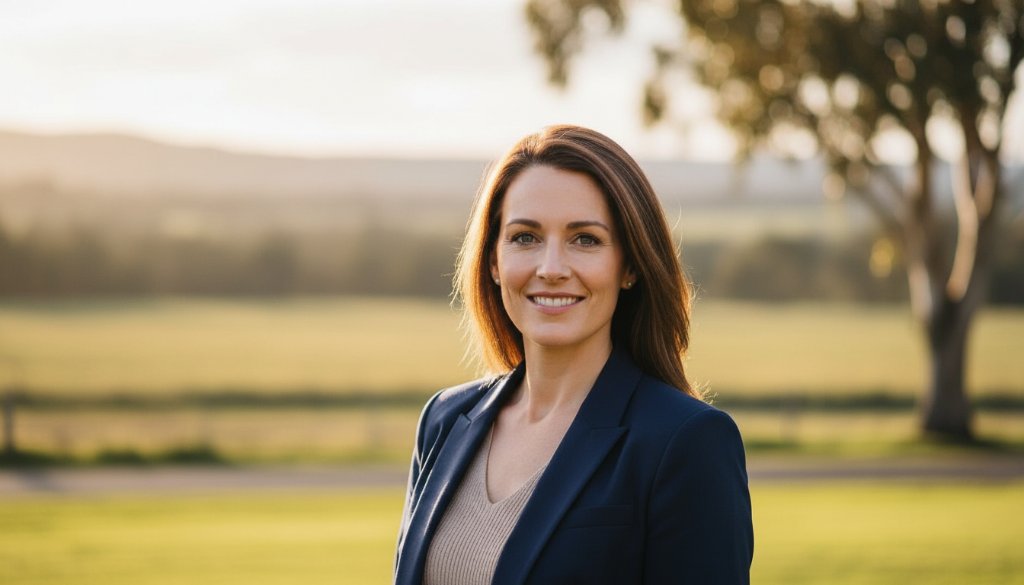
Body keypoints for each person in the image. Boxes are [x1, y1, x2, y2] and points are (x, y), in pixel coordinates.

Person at [394, 125, 753, 585]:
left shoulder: (686, 443)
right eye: (525, 237)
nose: (551, 269)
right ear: (494, 260)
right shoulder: (444, 421)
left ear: (629, 266)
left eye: (585, 239)